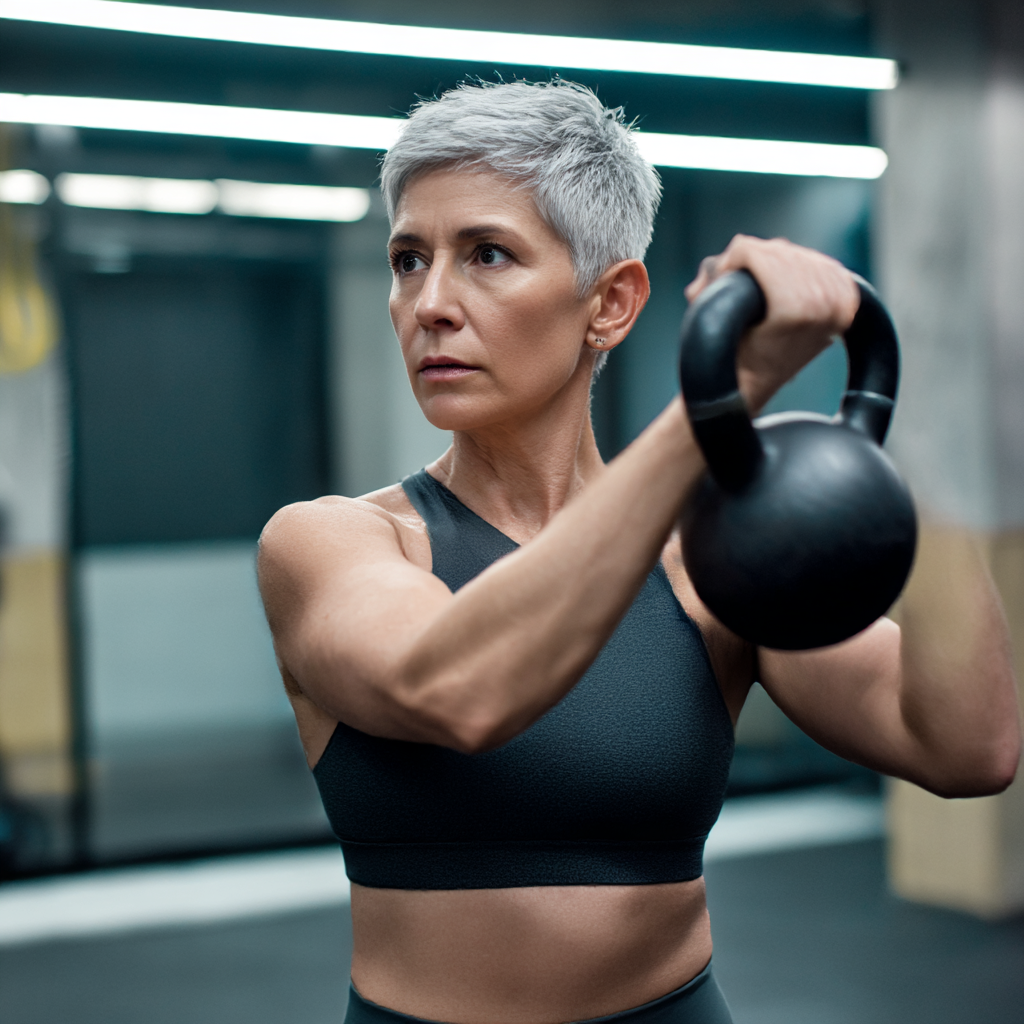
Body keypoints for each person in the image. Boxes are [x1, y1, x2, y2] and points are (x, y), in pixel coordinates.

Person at [258, 80, 1021, 1024]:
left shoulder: (708, 561)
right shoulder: (333, 542)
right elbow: (454, 686)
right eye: (409, 261)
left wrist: (929, 431)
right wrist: (714, 405)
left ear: (610, 304)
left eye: (487, 254)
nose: (431, 305)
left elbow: (965, 746)